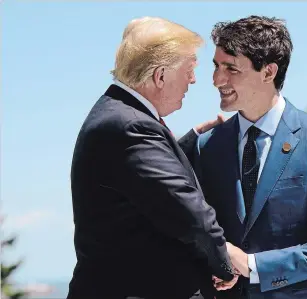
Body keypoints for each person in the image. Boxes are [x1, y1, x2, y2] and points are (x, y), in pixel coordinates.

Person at [67, 17, 237, 299]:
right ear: (160, 76)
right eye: (189, 69)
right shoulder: (131, 126)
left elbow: (137, 179)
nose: (194, 80)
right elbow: (187, 211)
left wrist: (191, 140)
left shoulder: (119, 116)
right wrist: (224, 261)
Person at [189, 15, 307, 298]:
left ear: (268, 72)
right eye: (216, 66)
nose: (217, 79)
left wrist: (253, 266)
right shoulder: (207, 146)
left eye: (231, 68)